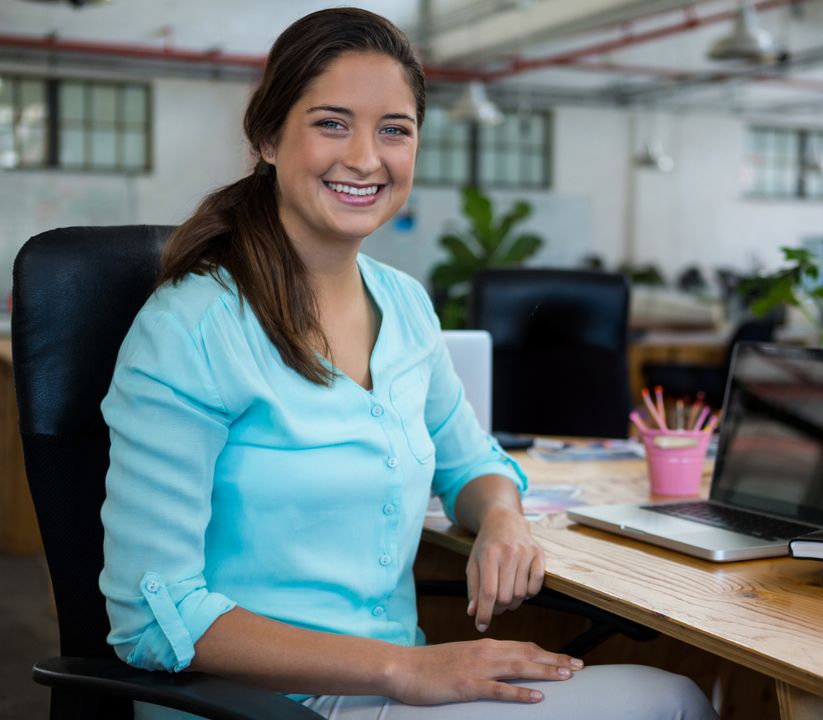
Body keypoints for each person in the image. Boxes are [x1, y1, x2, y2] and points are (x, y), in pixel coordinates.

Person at [99, 8, 718, 720]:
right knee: (672, 704)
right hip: (258, 707)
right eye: (332, 123)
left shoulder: (405, 306)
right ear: (268, 137)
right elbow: (153, 616)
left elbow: (471, 463)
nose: (365, 157)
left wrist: (502, 519)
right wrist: (402, 669)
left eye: (394, 129)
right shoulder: (193, 327)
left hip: (386, 692)